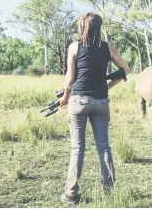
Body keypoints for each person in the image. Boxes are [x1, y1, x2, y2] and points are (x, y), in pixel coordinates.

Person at [59, 12, 130, 204]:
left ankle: (71, 194)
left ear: (83, 27)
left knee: (77, 147)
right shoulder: (108, 48)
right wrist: (107, 87)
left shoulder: (74, 46)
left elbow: (69, 79)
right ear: (99, 27)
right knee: (104, 147)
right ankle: (108, 190)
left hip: (78, 100)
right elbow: (125, 69)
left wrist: (65, 97)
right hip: (101, 102)